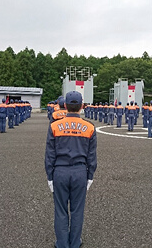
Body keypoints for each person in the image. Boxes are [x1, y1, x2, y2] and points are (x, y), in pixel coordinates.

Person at [45, 91, 97, 248]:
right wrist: (90, 176)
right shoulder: (89, 127)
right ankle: (75, 243)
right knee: (77, 210)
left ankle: (62, 243)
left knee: (60, 210)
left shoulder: (54, 126)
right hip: (80, 172)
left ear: (65, 106)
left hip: (59, 171)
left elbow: (49, 154)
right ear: (81, 106)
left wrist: (49, 176)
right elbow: (92, 156)